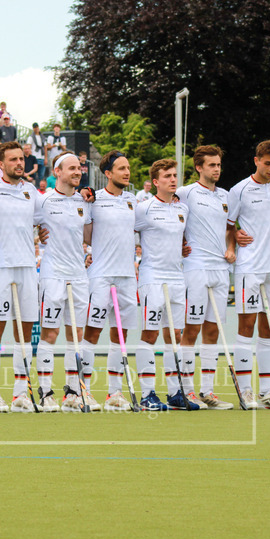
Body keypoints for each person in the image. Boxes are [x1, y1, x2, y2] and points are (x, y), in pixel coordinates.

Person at [227, 140, 270, 409]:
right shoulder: (239, 189)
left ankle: (267, 392)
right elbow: (228, 225)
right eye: (267, 163)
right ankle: (245, 391)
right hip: (249, 268)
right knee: (246, 328)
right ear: (256, 161)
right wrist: (234, 237)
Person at [34, 151, 97, 411]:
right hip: (52, 275)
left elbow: (90, 236)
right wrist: (37, 235)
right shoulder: (42, 201)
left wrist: (93, 255)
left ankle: (73, 392)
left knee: (76, 335)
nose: (77, 171)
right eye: (71, 168)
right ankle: (45, 392)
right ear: (57, 172)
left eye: (79, 167)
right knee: (50, 333)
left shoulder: (85, 202)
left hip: (79, 275)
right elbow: (25, 225)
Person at [80, 152, 139, 411]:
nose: (127, 172)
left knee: (121, 335)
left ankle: (114, 393)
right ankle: (84, 390)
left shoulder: (133, 200)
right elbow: (83, 234)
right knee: (92, 332)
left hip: (127, 275)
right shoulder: (94, 199)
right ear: (108, 174)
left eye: (128, 168)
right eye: (121, 168)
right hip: (101, 275)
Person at [132, 158, 191, 411]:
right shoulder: (143, 208)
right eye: (167, 176)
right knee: (150, 335)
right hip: (152, 278)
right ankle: (147, 395)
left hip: (177, 278)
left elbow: (182, 240)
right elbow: (126, 234)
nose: (173, 179)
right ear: (155, 182)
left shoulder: (182, 210)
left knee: (174, 336)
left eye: (175, 175)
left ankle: (175, 393)